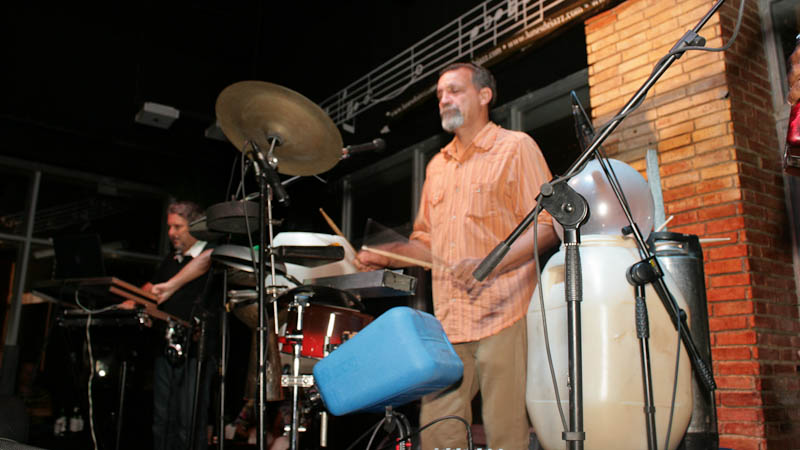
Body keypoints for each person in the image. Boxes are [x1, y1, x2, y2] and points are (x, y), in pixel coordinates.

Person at [355, 63, 559, 449]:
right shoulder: (437, 166)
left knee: (505, 435)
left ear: (484, 95)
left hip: (506, 315)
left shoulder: (516, 147)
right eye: (439, 95)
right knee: (436, 432)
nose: (443, 100)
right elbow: (426, 244)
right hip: (449, 323)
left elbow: (547, 226)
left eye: (454, 90)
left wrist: (490, 263)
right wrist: (389, 255)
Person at [140, 201, 219, 450]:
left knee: (189, 421)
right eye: (169, 227)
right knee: (162, 420)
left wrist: (170, 286)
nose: (171, 233)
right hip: (166, 347)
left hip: (196, 353)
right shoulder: (171, 259)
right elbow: (151, 288)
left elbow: (208, 258)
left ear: (194, 226)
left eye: (178, 227)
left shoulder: (211, 255)